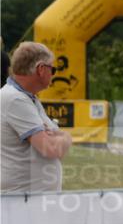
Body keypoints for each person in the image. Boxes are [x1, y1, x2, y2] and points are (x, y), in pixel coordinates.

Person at [1, 42, 72, 192]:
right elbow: (51, 149)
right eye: (52, 69)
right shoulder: (16, 99)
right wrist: (66, 137)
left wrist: (58, 138)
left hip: (31, 201)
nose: (53, 74)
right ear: (41, 69)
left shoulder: (26, 98)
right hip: (24, 203)